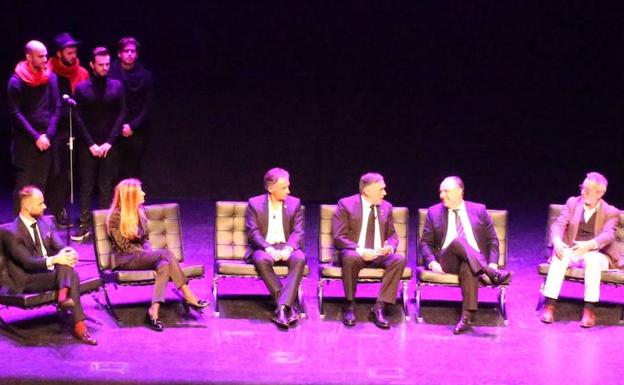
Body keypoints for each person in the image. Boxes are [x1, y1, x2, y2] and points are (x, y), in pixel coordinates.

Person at [106, 178, 208, 331]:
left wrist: (149, 256)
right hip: (125, 258)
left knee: (164, 264)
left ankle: (154, 310)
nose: (144, 193)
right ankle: (188, 295)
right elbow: (125, 248)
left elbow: (145, 239)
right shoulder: (115, 217)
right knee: (165, 254)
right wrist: (149, 257)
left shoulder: (139, 212)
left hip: (139, 256)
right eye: (140, 190)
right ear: (131, 196)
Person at [2, 186, 96, 345]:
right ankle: (78, 323)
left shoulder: (46, 222)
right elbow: (28, 263)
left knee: (66, 265)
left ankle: (63, 298)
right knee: (70, 272)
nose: (45, 206)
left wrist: (69, 252)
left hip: (48, 273)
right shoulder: (11, 232)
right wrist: (56, 260)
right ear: (27, 207)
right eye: (40, 204)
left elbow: (59, 247)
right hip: (26, 279)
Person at [419, 176, 511, 334]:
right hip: (447, 260)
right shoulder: (433, 212)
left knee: (468, 266)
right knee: (458, 241)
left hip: (473, 262)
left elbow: (492, 240)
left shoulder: (479, 210)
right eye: (440, 191)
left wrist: (493, 263)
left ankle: (466, 317)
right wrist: (432, 263)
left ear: (460, 191)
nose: (442, 195)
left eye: (446, 191)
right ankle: (490, 274)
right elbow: (425, 243)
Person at [540, 172, 622, 328]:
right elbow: (558, 224)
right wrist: (557, 240)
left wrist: (590, 245)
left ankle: (589, 310)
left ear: (600, 193)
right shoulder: (573, 203)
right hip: (573, 250)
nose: (582, 192)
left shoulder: (610, 211)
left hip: (597, 253)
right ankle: (549, 306)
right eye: (582, 188)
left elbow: (609, 235)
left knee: (592, 260)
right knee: (560, 255)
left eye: (587, 189)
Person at [333, 172, 406, 329]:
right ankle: (349, 305)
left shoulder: (386, 207)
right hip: (356, 253)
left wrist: (389, 247)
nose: (384, 193)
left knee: (399, 259)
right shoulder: (346, 204)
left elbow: (393, 235)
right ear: (367, 191)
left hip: (378, 254)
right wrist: (360, 250)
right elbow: (339, 238)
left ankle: (379, 307)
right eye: (381, 189)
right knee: (350, 257)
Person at [72, 47, 126, 242]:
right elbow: (78, 119)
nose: (104, 68)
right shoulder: (82, 88)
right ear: (92, 65)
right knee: (86, 185)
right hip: (88, 145)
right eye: (101, 64)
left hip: (109, 145)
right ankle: (85, 225)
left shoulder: (117, 87)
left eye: (107, 64)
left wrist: (109, 143)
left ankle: (104, 226)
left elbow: (121, 115)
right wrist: (91, 144)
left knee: (105, 185)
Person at [245, 168, 306, 329]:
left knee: (299, 258)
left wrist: (288, 249)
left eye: (288, 186)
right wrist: (268, 248)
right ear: (271, 189)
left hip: (287, 246)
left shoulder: (294, 203)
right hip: (265, 247)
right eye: (284, 188)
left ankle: (281, 308)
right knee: (261, 259)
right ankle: (288, 306)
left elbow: (298, 232)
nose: (288, 191)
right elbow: (253, 232)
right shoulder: (255, 203)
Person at [7, 40, 60, 210]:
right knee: (24, 187)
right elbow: (15, 113)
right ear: (28, 57)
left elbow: (56, 108)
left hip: (45, 140)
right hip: (26, 142)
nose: (45, 59)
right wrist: (36, 137)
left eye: (46, 55)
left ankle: (38, 228)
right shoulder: (16, 81)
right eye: (40, 56)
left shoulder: (51, 78)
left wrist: (48, 135)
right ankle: (18, 231)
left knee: (40, 185)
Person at [46, 33, 89, 228]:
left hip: (76, 129)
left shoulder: (81, 72)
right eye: (69, 52)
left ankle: (68, 212)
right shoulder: (49, 72)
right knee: (56, 171)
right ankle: (54, 211)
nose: (73, 56)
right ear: (59, 53)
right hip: (54, 130)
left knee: (72, 173)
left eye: (75, 52)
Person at [109, 37, 153, 180]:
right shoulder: (110, 72)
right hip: (113, 129)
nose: (129, 54)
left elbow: (147, 105)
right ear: (119, 53)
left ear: (137, 54)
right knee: (113, 169)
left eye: (132, 51)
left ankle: (132, 201)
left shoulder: (145, 76)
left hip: (136, 129)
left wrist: (132, 126)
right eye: (126, 51)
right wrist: (119, 126)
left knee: (132, 169)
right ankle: (114, 201)